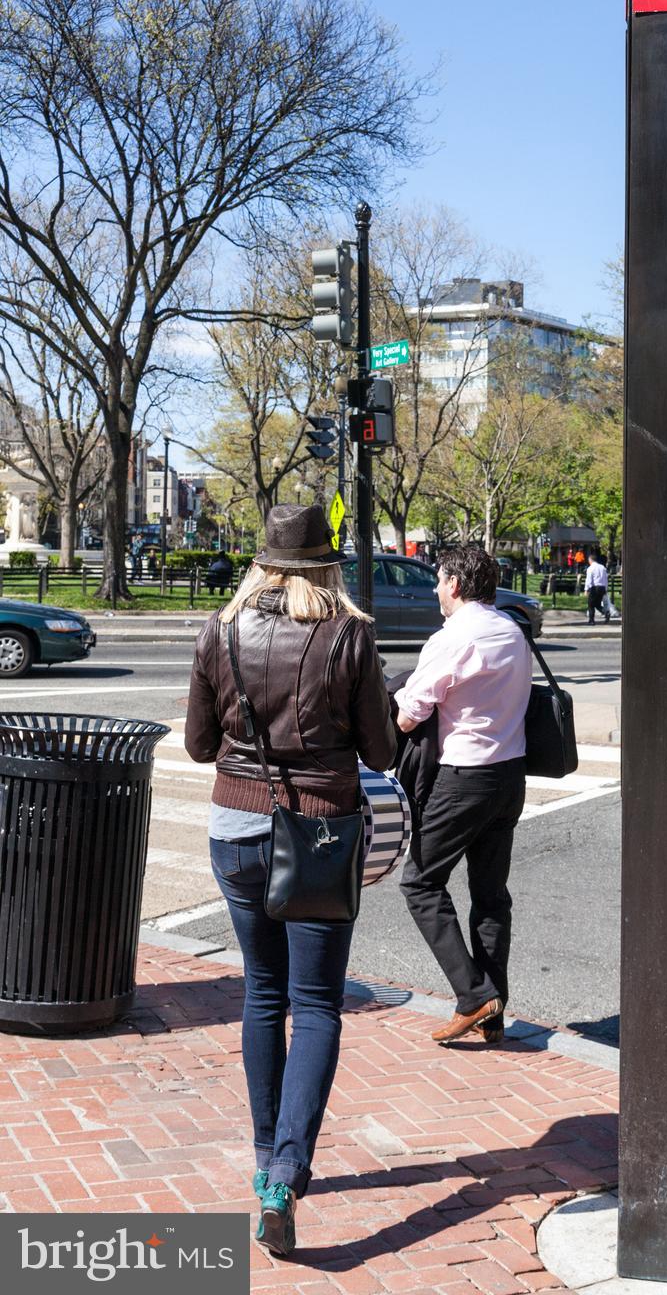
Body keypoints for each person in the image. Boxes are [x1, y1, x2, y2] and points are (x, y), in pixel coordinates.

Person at [184, 504, 395, 1259]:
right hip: (317, 832)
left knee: (261, 994)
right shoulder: (349, 635)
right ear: (324, 565)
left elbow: (200, 743)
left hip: (235, 832)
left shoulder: (220, 630)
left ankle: (263, 1152)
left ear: (262, 564)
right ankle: (285, 1174)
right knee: (315, 1005)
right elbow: (383, 748)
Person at [395, 546, 532, 1046]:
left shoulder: (455, 637)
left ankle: (474, 995)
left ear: (454, 584)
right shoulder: (512, 630)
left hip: (464, 777)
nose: (435, 589)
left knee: (421, 882)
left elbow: (411, 711)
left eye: (438, 580)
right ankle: (493, 1012)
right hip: (509, 774)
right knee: (491, 894)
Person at [585, 551, 610, 625]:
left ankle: (591, 620)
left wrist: (586, 589)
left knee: (590, 604)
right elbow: (606, 579)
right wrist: (605, 588)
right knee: (597, 604)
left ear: (590, 560)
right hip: (602, 587)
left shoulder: (590, 568)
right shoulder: (602, 567)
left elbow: (589, 579)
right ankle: (605, 612)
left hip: (594, 587)